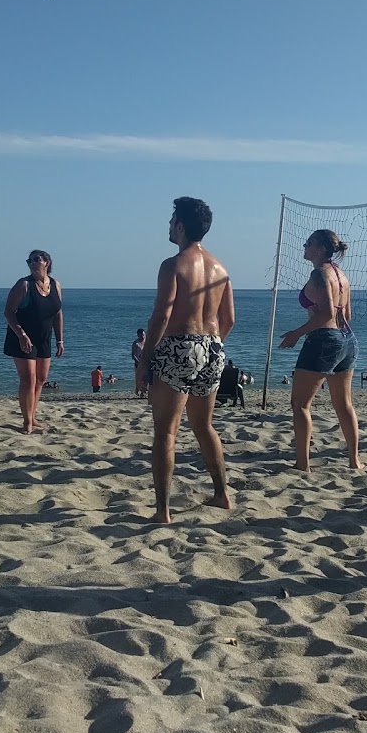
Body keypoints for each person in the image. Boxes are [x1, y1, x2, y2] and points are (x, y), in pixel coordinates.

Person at [139, 197, 234, 523]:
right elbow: (229, 319)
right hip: (213, 346)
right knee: (204, 425)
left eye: (171, 220)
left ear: (180, 226)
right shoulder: (221, 269)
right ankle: (222, 494)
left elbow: (161, 317)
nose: (168, 225)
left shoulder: (174, 265)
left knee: (166, 432)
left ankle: (163, 511)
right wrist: (209, 348)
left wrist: (145, 359)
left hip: (180, 346)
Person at [278, 229, 360, 472]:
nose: (304, 246)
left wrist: (295, 334)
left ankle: (302, 463)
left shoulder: (319, 274)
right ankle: (354, 460)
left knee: (300, 404)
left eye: (308, 243)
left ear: (321, 248)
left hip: (324, 339)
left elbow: (325, 314)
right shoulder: (341, 275)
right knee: (344, 404)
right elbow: (347, 315)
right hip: (347, 339)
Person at [3, 249, 64, 433]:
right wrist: (21, 334)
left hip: (44, 338)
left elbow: (58, 313)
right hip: (22, 338)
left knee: (40, 380)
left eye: (37, 259)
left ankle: (33, 415)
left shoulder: (55, 285)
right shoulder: (24, 285)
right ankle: (27, 421)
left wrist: (60, 340)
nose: (32, 263)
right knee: (28, 379)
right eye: (30, 260)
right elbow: (8, 312)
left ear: (47, 262)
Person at [131, 328, 147, 397]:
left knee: (146, 378)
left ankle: (143, 393)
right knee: (139, 378)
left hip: (146, 363)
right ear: (138, 335)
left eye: (143, 335)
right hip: (138, 363)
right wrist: (138, 361)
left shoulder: (147, 342)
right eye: (141, 335)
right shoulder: (136, 343)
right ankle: (137, 388)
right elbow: (133, 355)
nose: (142, 337)